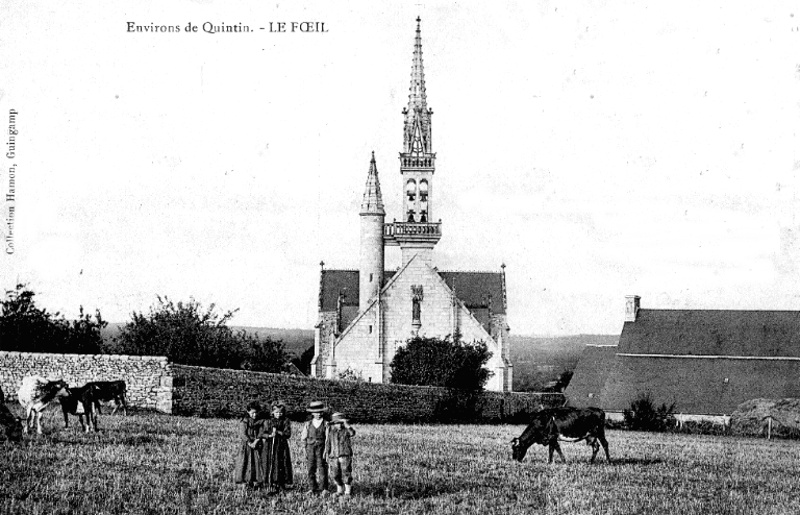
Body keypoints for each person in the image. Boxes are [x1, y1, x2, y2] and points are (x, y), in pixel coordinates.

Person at [261, 400, 293, 494]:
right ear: (272, 412)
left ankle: (280, 483)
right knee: (270, 462)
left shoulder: (285, 421)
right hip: (270, 445)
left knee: (281, 463)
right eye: (276, 412)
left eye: (281, 412)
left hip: (281, 445)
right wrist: (270, 435)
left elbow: (288, 434)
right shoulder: (268, 422)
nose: (279, 414)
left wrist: (278, 432)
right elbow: (263, 433)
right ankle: (270, 483)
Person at [233, 401, 265, 488]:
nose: (255, 415)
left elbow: (262, 432)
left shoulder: (260, 422)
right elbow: (243, 434)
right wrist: (249, 442)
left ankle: (257, 482)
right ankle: (247, 482)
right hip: (247, 446)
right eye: (253, 413)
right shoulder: (244, 422)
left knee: (257, 463)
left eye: (256, 413)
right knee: (246, 462)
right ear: (248, 412)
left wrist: (256, 441)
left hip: (257, 445)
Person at [300, 400, 329, 494]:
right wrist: (304, 449)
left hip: (321, 448)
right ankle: (312, 488)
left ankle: (323, 488)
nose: (318, 414)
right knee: (310, 468)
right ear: (312, 413)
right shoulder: (308, 424)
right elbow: (303, 438)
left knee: (322, 468)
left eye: (320, 412)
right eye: (316, 412)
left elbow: (328, 438)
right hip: (310, 448)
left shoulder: (326, 424)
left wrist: (326, 451)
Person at [325, 412, 356, 496]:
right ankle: (340, 490)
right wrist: (327, 453)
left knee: (346, 472)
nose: (338, 425)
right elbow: (328, 443)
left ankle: (348, 492)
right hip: (334, 456)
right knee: (335, 474)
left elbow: (352, 433)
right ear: (334, 424)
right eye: (336, 423)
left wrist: (347, 425)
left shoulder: (346, 431)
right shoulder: (331, 432)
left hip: (345, 455)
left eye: (340, 423)